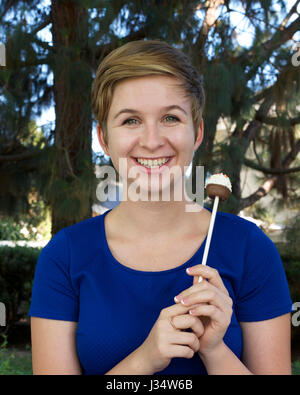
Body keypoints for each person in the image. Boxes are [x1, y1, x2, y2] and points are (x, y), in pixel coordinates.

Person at [29, 39, 292, 375]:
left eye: (170, 117)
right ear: (103, 138)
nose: (152, 141)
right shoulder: (64, 256)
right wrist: (145, 359)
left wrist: (214, 349)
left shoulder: (249, 249)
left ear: (196, 132)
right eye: (130, 121)